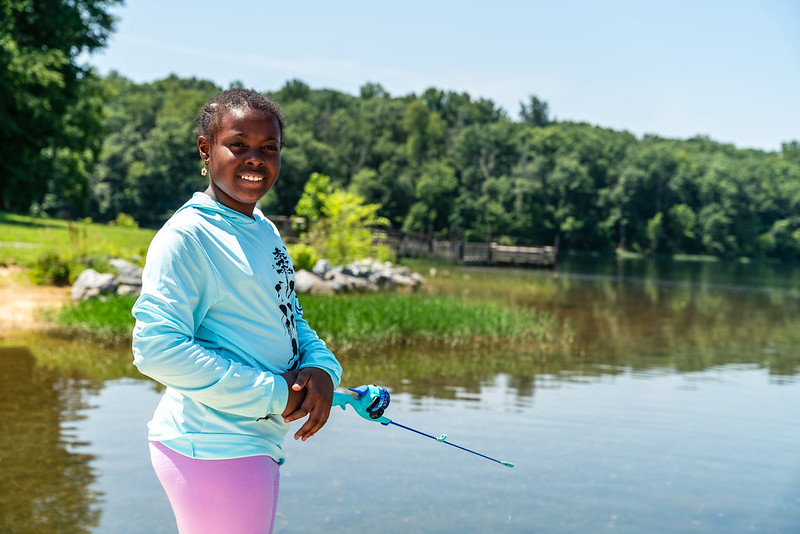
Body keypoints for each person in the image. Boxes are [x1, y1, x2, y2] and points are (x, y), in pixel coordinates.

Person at [131, 88, 342, 534]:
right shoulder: (187, 236)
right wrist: (273, 393)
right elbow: (156, 349)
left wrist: (323, 368)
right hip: (212, 446)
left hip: (250, 442)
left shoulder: (262, 228)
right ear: (206, 150)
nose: (255, 159)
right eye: (239, 145)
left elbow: (290, 316)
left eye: (269, 149)